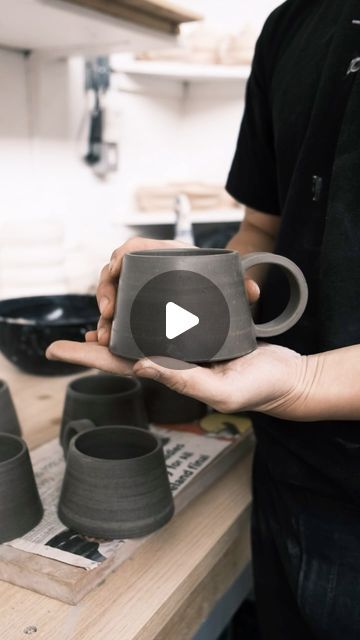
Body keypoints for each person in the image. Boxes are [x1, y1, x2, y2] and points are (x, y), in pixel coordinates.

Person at [47, 1, 360, 637]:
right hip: (281, 462)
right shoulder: (292, 23)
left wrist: (308, 382)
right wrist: (199, 279)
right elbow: (262, 228)